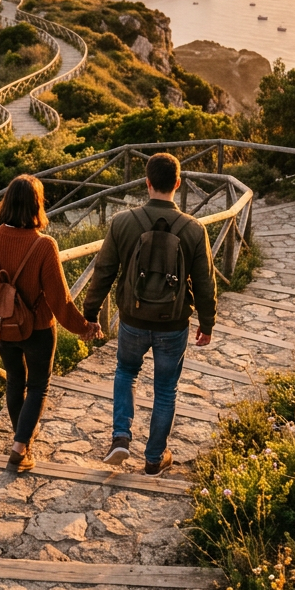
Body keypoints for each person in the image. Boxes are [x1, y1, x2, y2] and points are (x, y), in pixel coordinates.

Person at [82, 152, 216, 475]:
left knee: (126, 372)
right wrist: (207, 322)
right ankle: (155, 458)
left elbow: (103, 272)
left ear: (147, 182)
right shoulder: (195, 230)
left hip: (132, 320)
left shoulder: (122, 223)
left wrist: (91, 312)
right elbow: (205, 282)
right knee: (166, 388)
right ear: (178, 184)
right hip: (174, 324)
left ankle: (120, 437)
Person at [0, 174, 102, 472]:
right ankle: (19, 448)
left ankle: (23, 442)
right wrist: (84, 326)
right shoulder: (44, 246)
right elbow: (60, 301)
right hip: (38, 329)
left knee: (15, 382)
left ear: (7, 202)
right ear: (37, 205)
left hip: (1, 326)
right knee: (38, 386)